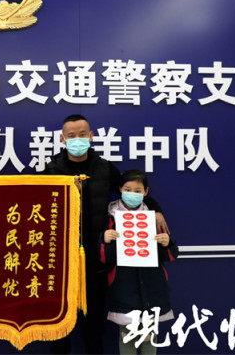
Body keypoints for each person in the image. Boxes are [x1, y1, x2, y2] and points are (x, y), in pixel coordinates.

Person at [43, 114, 168, 354]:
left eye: (82, 134)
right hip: (61, 259)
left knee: (94, 325)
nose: (77, 139)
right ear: (62, 139)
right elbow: (31, 199)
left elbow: (129, 190)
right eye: (71, 135)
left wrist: (155, 209)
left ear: (91, 137)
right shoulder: (52, 169)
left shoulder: (103, 167)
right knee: (59, 325)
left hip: (97, 258)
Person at [100, 169, 179, 355]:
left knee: (149, 337)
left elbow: (171, 255)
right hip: (124, 287)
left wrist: (166, 243)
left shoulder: (153, 217)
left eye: (138, 191)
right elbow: (103, 257)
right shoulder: (110, 217)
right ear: (120, 189)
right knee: (127, 336)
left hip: (152, 287)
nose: (132, 194)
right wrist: (106, 240)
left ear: (146, 191)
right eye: (128, 190)